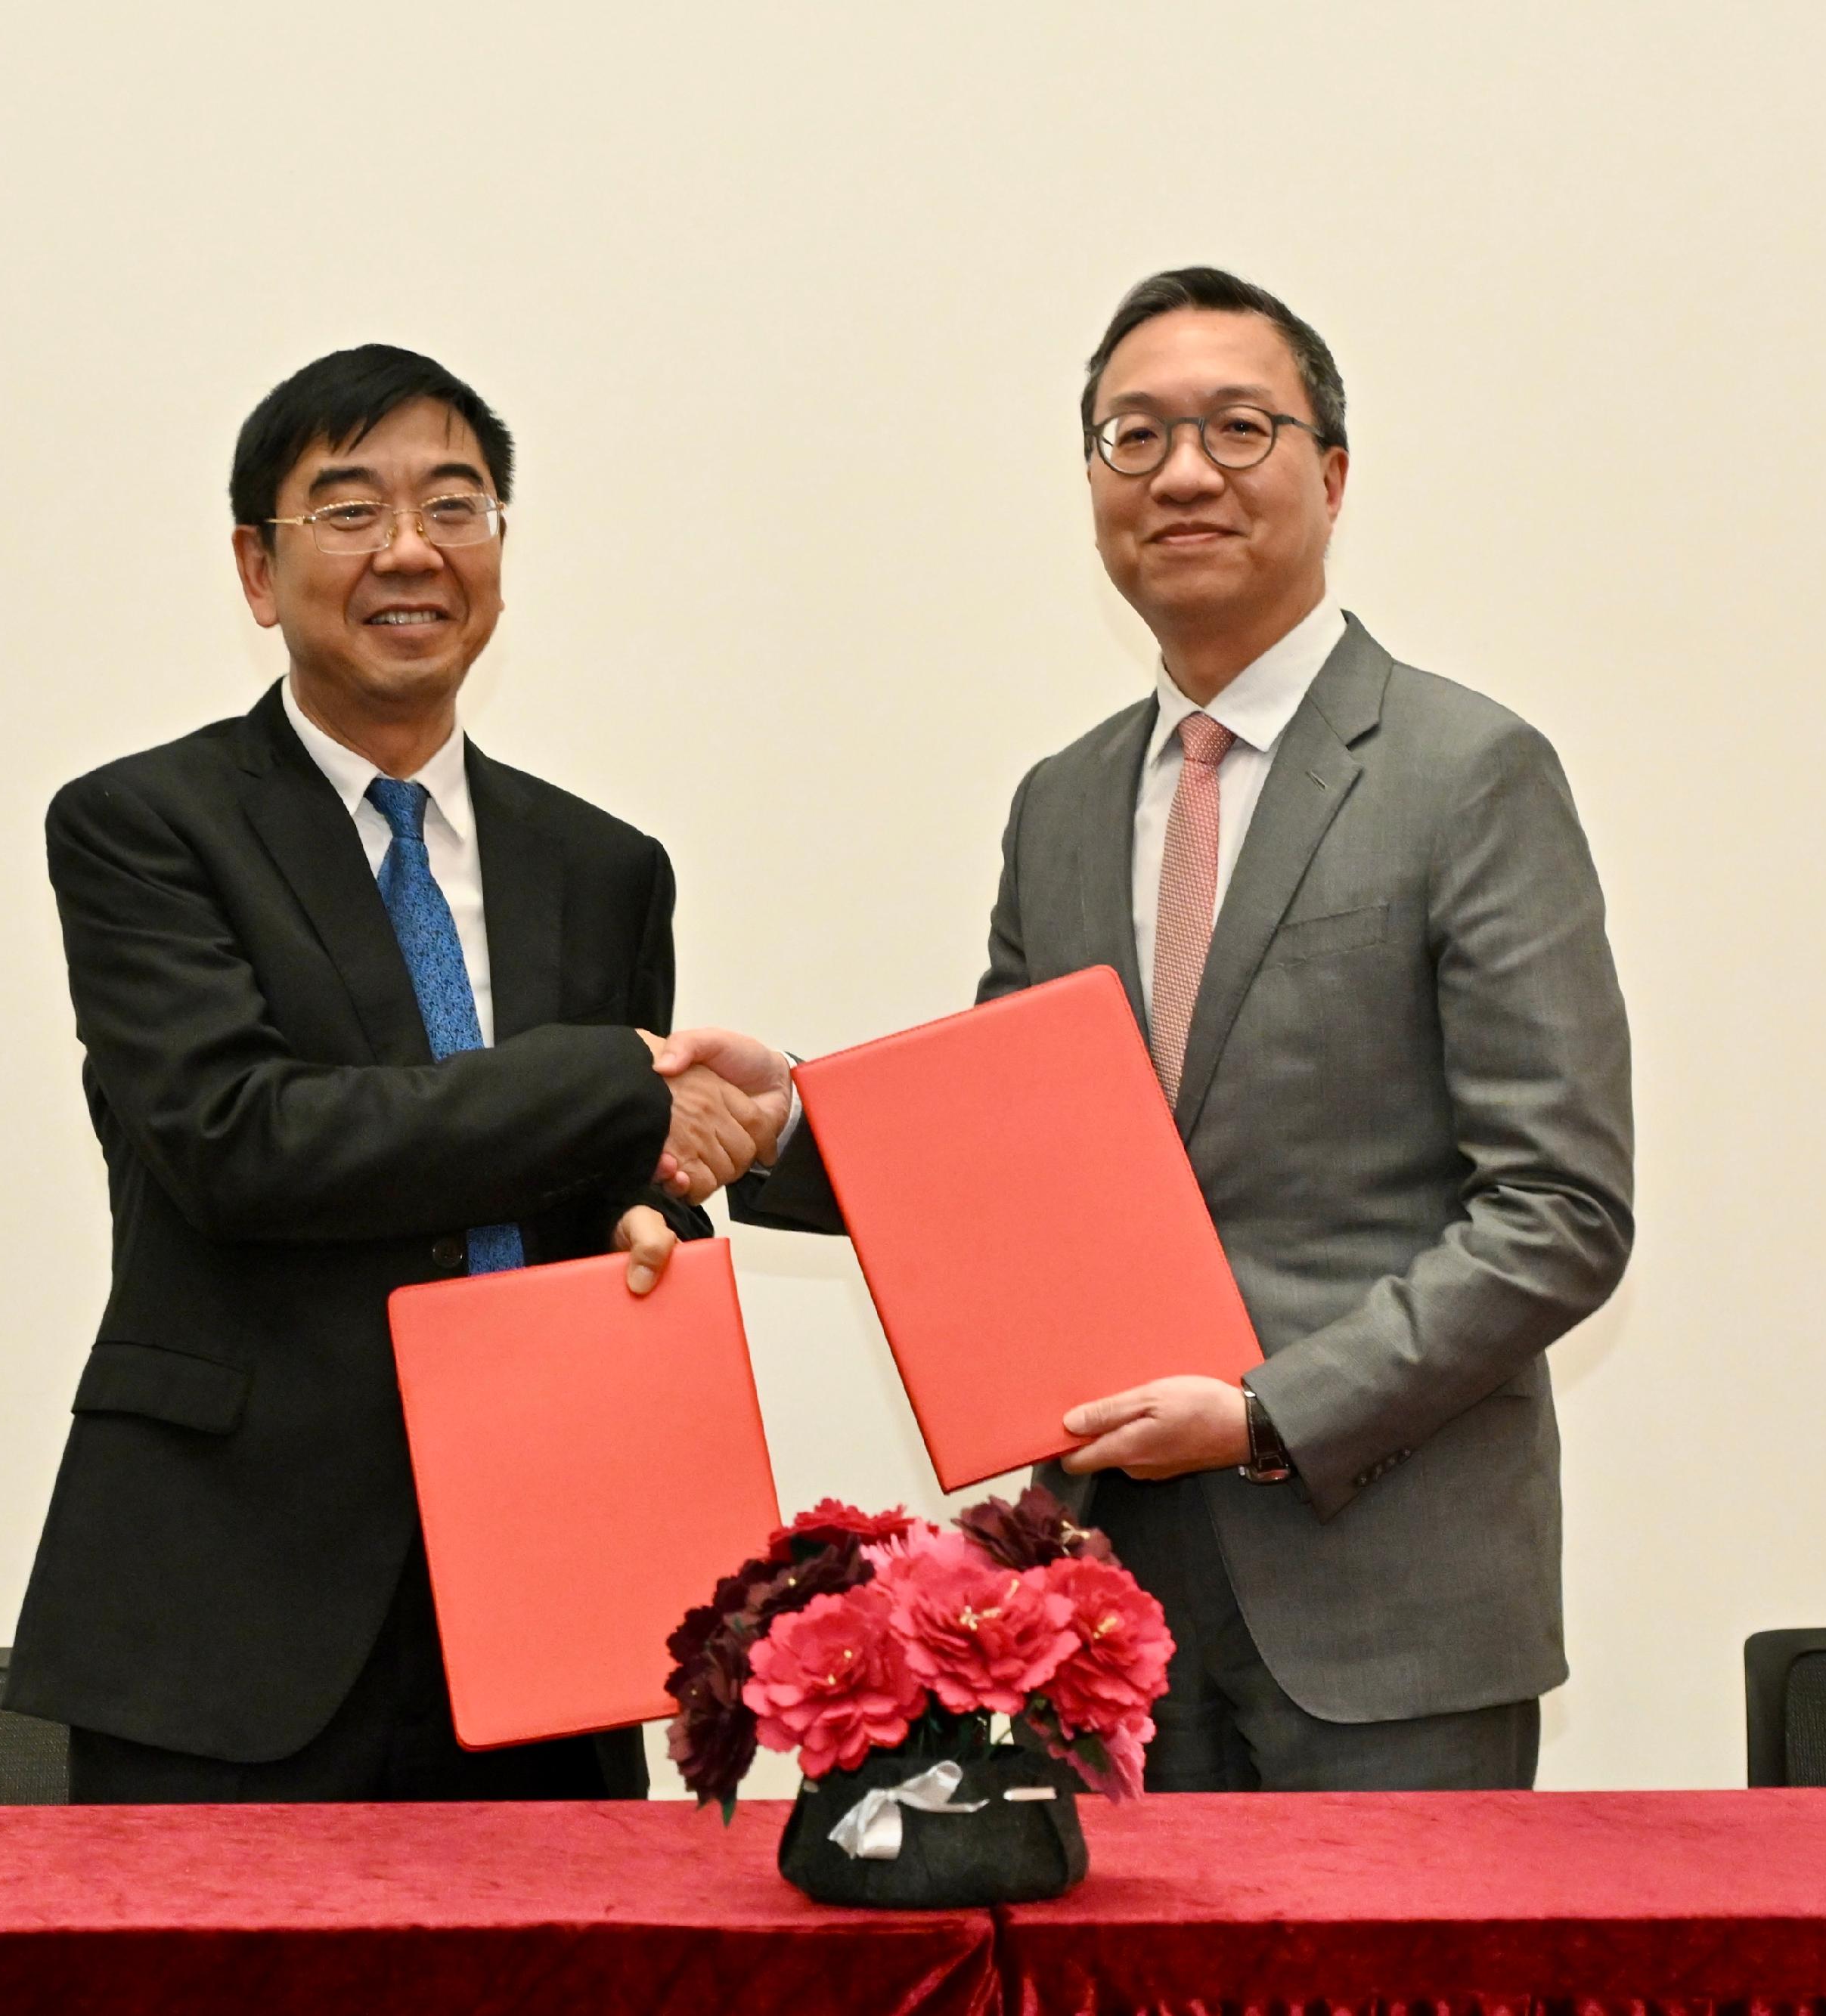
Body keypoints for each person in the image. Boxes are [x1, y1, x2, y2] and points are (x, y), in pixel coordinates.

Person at [689, 268, 1634, 1791]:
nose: (1181, 470)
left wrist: (1267, 1413)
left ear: (1329, 474)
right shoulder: (1060, 803)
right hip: (1105, 1611)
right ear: (1090, 488)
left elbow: (1559, 1212)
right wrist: (787, 1119)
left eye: (1235, 427)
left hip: (1390, 1617)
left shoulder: (1466, 772)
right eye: (1133, 436)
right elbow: (1011, 1162)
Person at [4, 344, 780, 1802]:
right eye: (349, 511)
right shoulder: (141, 826)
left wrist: (648, 1214)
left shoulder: (605, 868)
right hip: (236, 1609)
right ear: (257, 565)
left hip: (550, 1594)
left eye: (456, 505)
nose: (410, 550)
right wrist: (609, 1083)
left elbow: (627, 1176)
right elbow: (238, 1140)